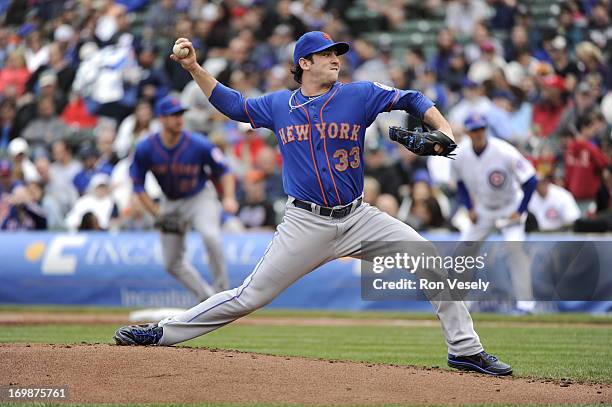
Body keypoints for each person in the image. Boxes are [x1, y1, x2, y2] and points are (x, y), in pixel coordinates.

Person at [114, 32, 512, 376]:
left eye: (337, 52)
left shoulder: (358, 95)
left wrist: (442, 128)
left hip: (359, 217)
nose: (336, 58)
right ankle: (163, 331)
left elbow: (411, 97)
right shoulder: (278, 105)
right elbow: (234, 106)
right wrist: (194, 69)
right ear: (304, 63)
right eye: (326, 54)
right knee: (249, 296)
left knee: (427, 257)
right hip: (306, 222)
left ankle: (465, 350)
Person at [128, 95, 238, 302]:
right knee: (171, 263)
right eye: (173, 115)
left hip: (199, 197)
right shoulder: (146, 148)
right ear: (161, 119)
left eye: (181, 114)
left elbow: (224, 170)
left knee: (210, 236)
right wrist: (156, 212)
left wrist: (229, 197)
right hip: (170, 201)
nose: (179, 119)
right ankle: (206, 299)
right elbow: (136, 184)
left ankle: (223, 295)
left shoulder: (198, 143)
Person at [452, 113, 538, 313]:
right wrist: (469, 207)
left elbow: (531, 180)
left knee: (515, 251)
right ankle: (461, 303)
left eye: (481, 129)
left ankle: (526, 305)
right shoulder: (460, 154)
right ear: (467, 133)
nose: (478, 133)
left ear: (486, 129)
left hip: (509, 208)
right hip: (483, 210)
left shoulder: (504, 151)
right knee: (463, 252)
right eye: (474, 130)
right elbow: (460, 183)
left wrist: (520, 210)